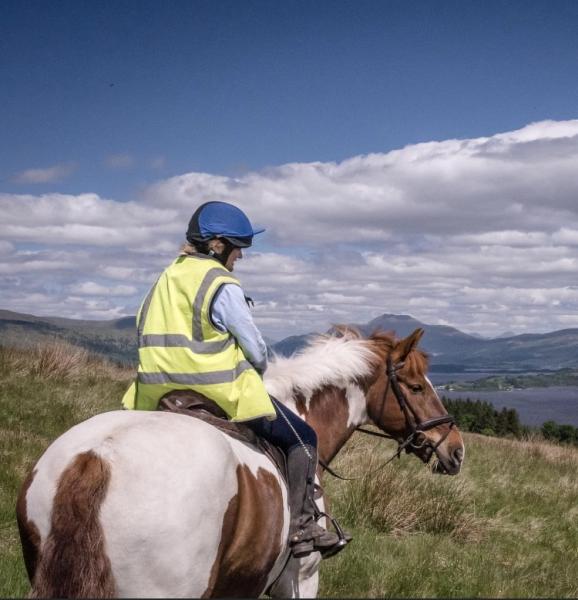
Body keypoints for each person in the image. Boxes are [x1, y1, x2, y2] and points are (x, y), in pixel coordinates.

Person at [122, 200, 348, 558]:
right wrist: (254, 372)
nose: (240, 256)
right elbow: (255, 351)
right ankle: (304, 527)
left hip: (155, 395)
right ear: (217, 245)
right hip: (215, 393)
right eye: (238, 247)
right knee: (304, 439)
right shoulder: (220, 283)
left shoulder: (162, 281)